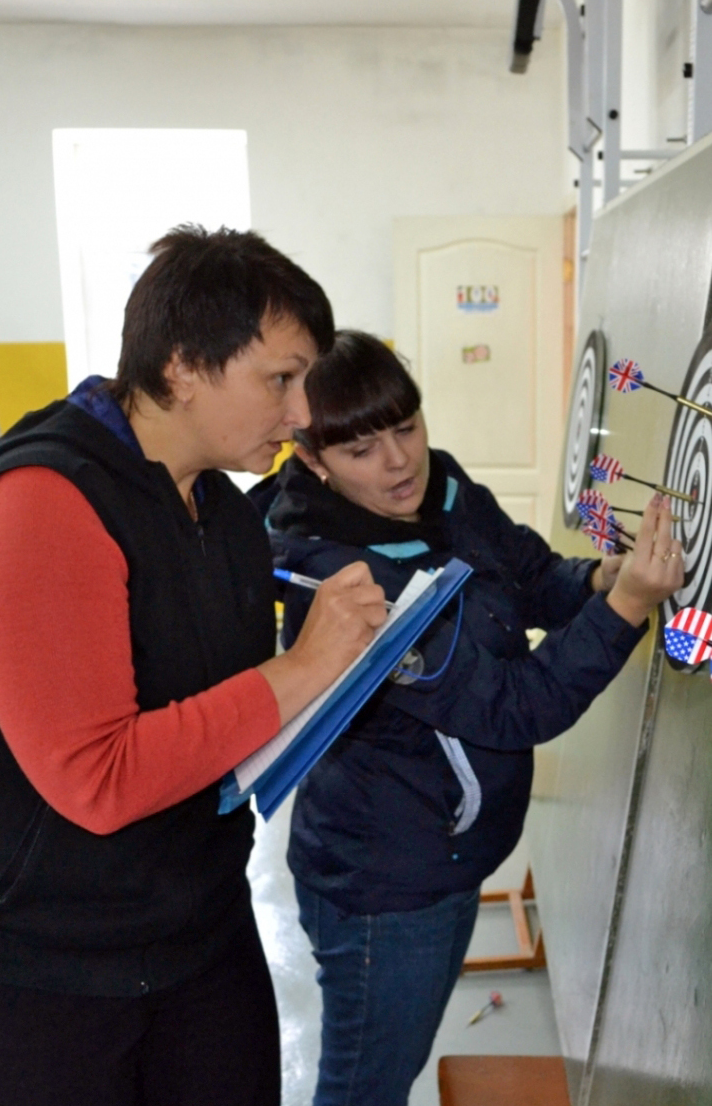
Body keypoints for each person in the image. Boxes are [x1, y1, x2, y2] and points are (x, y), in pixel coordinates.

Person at [0, 227, 390, 1106]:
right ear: (186, 365)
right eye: (281, 379)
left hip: (189, 931)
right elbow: (97, 776)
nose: (303, 411)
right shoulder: (43, 504)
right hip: (24, 967)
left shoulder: (222, 513)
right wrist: (301, 671)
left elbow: (216, 715)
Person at [267, 330, 685, 1106]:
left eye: (406, 427)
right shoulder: (346, 582)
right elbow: (510, 705)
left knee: (388, 1068)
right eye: (361, 448)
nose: (399, 461)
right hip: (385, 889)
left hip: (439, 859)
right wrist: (628, 608)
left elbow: (527, 577)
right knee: (366, 1088)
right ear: (312, 460)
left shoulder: (443, 489)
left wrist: (598, 578)